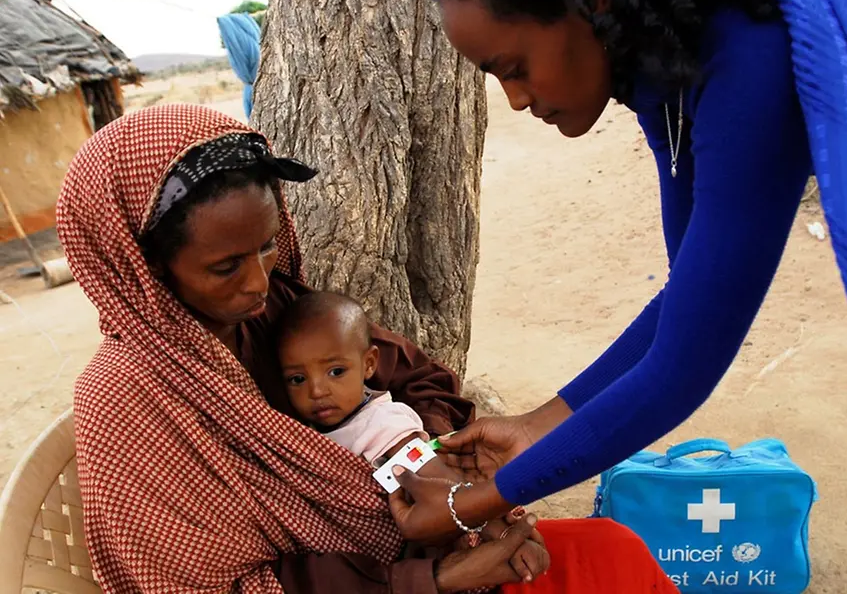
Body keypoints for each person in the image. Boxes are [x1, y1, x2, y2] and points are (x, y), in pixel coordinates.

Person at [382, 0, 847, 590]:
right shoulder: (662, 69)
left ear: (596, 0)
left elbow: (684, 366)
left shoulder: (748, 47)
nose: (513, 99)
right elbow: (684, 296)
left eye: (515, 69)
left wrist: (473, 503)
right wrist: (537, 428)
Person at [58, 103, 674, 593]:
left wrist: (426, 467)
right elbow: (203, 584)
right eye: (224, 267)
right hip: (404, 580)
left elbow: (418, 382)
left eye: (268, 246)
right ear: (144, 266)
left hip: (439, 550)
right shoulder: (128, 403)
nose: (257, 280)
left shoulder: (284, 312)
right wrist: (434, 577)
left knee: (616, 554)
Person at [277, 291, 548, 583]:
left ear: (369, 364)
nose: (317, 391)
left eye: (336, 371)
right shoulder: (309, 430)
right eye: (298, 379)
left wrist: (504, 536)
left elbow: (442, 484)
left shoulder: (382, 425)